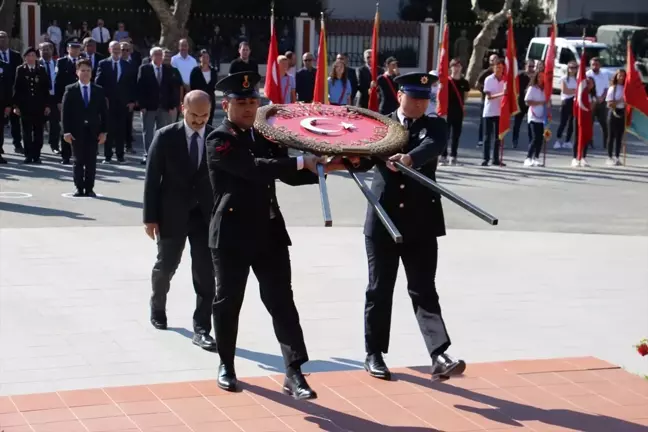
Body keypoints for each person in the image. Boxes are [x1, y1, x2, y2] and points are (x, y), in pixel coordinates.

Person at [205, 71, 323, 398]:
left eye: (253, 101)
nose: (247, 107)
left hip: (269, 233)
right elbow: (255, 168)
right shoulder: (219, 139)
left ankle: (294, 372)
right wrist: (300, 163)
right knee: (228, 302)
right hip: (232, 235)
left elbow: (288, 172)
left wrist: (327, 165)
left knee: (281, 301)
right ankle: (226, 364)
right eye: (241, 102)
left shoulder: (266, 135)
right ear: (226, 104)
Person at [347, 72, 465, 382]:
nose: (418, 104)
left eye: (424, 99)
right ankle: (373, 353)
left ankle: (439, 353)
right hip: (383, 219)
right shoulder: (381, 125)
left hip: (421, 221)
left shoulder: (435, 125)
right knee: (379, 288)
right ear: (399, 95)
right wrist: (345, 153)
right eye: (413, 98)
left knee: (424, 288)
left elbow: (433, 145)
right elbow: (362, 159)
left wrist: (409, 158)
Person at [142, 90, 216, 351]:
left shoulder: (215, 137)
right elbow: (152, 180)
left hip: (205, 217)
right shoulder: (165, 137)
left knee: (206, 274)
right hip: (172, 214)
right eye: (194, 115)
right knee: (167, 265)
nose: (199, 121)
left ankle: (202, 328)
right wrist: (150, 218)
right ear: (183, 109)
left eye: (204, 116)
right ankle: (158, 304)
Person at [61, 59, 107, 197]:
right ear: (77, 72)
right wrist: (66, 131)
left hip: (93, 131)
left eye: (88, 70)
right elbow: (65, 112)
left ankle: (89, 188)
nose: (85, 73)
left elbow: (104, 112)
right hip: (76, 131)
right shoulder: (70, 89)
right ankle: (79, 187)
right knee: (78, 160)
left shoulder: (98, 90)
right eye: (82, 70)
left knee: (91, 161)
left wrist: (104, 132)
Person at [137, 47, 180, 165]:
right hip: (149, 107)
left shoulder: (168, 70)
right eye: (156, 54)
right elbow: (140, 88)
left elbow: (172, 89)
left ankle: (161, 154)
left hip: (164, 106)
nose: (159, 57)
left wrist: (172, 105)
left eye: (161, 54)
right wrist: (142, 105)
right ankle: (148, 154)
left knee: (163, 131)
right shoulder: (144, 69)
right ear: (151, 57)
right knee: (148, 132)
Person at [96, 41, 136, 163]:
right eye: (114, 48)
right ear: (109, 50)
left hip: (123, 103)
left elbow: (132, 84)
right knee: (108, 129)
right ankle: (108, 156)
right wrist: (102, 98)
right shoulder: (103, 64)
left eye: (119, 48)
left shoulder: (127, 65)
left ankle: (120, 155)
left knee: (121, 129)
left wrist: (132, 101)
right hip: (108, 103)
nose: (117, 51)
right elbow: (98, 83)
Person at [12, 47, 50, 164]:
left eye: (33, 55)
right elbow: (16, 88)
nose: (31, 58)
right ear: (25, 58)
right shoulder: (21, 70)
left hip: (39, 106)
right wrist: (16, 106)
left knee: (38, 132)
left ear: (36, 57)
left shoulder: (41, 69)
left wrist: (47, 105)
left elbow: (45, 89)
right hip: (25, 106)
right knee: (26, 132)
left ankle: (36, 155)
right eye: (28, 56)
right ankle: (28, 155)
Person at [54, 39, 83, 164]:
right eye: (73, 48)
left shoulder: (83, 62)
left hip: (81, 98)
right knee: (65, 127)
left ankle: (78, 154)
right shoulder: (61, 62)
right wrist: (59, 100)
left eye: (77, 48)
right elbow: (57, 82)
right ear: (68, 49)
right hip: (66, 98)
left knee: (81, 127)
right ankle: (65, 156)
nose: (75, 50)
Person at [440, 58, 470, 166]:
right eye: (454, 66)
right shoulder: (446, 81)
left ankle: (453, 156)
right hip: (447, 111)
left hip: (459, 112)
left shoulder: (464, 82)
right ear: (450, 67)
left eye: (458, 66)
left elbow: (465, 97)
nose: (456, 68)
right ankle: (443, 156)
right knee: (445, 134)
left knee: (456, 135)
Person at [0, 31, 24, 155]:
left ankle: (18, 144)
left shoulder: (16, 56)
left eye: (4, 37)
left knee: (15, 121)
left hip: (14, 93)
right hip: (1, 95)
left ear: (8, 39)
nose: (2, 40)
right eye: (0, 38)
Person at [481, 58, 506, 166]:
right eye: (497, 67)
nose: (499, 69)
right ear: (493, 68)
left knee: (498, 137)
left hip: (500, 112)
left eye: (500, 67)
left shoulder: (505, 80)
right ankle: (485, 158)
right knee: (487, 136)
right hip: (489, 111)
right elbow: (489, 96)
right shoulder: (488, 79)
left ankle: (496, 159)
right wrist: (502, 94)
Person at [39, 42, 61, 156]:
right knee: (39, 124)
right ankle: (37, 147)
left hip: (54, 97)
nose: (45, 51)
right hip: (40, 99)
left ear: (52, 50)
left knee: (55, 124)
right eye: (43, 49)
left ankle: (54, 146)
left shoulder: (58, 63)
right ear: (39, 51)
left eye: (48, 49)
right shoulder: (36, 64)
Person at [523, 70, 547, 167]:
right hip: (533, 116)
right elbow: (527, 101)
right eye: (539, 77)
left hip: (542, 117)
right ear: (536, 77)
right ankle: (528, 158)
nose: (541, 79)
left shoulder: (545, 89)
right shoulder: (532, 88)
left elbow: (547, 101)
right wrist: (539, 103)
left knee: (541, 138)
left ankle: (536, 157)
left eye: (543, 77)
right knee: (534, 138)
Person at [572, 77, 596, 168]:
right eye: (588, 83)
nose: (589, 84)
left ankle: (583, 157)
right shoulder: (579, 94)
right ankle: (575, 158)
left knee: (586, 137)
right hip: (578, 118)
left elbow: (592, 108)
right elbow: (575, 105)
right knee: (577, 137)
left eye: (591, 83)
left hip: (588, 118)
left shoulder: (592, 95)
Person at [586, 57, 610, 149]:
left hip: (601, 102)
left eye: (596, 64)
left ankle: (607, 144)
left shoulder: (604, 74)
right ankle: (589, 143)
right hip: (591, 102)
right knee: (589, 124)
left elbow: (606, 88)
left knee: (604, 124)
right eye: (593, 64)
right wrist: (594, 98)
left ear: (600, 65)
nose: (595, 66)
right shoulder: (587, 74)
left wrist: (602, 97)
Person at [189, 50, 218, 125]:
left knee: (209, 120)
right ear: (200, 58)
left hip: (210, 99)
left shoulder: (213, 71)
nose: (205, 59)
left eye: (207, 57)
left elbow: (215, 84)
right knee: (198, 120)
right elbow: (192, 86)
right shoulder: (195, 71)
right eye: (203, 57)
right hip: (198, 99)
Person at [555, 61, 577, 149]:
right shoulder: (564, 78)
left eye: (574, 67)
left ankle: (567, 141)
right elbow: (565, 91)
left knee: (572, 122)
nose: (572, 69)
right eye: (570, 67)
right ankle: (558, 140)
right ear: (568, 68)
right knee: (563, 122)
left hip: (574, 101)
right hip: (566, 101)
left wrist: (572, 90)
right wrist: (574, 90)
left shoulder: (577, 79)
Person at [513, 60, 535, 149]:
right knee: (517, 123)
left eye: (532, 66)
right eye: (529, 66)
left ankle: (531, 141)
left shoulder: (535, 76)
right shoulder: (520, 76)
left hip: (531, 104)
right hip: (521, 103)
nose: (531, 68)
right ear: (525, 66)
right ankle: (515, 140)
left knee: (531, 123)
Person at [606, 69, 626, 166]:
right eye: (620, 75)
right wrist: (620, 100)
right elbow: (609, 104)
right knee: (611, 136)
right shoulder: (612, 89)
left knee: (619, 137)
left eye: (623, 76)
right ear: (616, 76)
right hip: (613, 113)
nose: (621, 78)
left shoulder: (626, 88)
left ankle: (617, 157)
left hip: (622, 113)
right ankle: (609, 157)